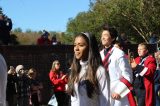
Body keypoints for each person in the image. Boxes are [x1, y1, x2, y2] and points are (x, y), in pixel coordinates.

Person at [67, 32, 110, 106]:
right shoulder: (74, 71)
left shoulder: (99, 71)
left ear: (90, 48)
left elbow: (105, 101)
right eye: (75, 45)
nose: (76, 48)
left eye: (81, 45)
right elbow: (73, 99)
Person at [100, 24, 136, 106]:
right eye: (102, 35)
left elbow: (128, 75)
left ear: (112, 38)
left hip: (117, 93)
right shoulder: (100, 54)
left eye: (105, 35)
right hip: (103, 92)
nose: (102, 37)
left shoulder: (119, 53)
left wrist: (119, 91)